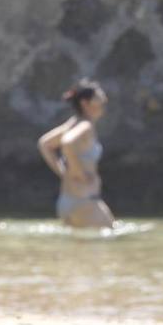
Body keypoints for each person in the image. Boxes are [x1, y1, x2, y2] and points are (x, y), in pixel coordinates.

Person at [37, 79, 114, 228]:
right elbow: (68, 142)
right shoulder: (85, 125)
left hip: (67, 202)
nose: (104, 101)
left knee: (79, 249)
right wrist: (79, 173)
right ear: (85, 103)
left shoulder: (72, 123)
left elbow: (44, 144)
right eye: (99, 98)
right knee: (108, 243)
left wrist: (63, 172)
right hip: (85, 201)